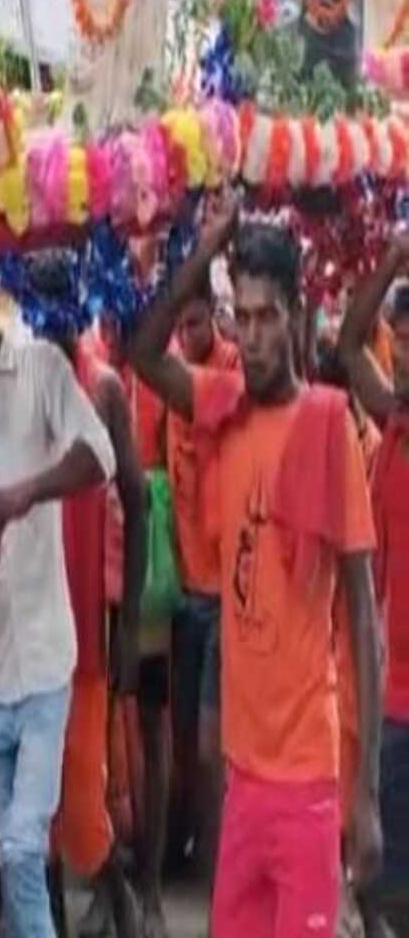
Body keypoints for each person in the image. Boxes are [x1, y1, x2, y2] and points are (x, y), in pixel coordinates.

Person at [128, 198, 383, 937]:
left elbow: (362, 616)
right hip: (244, 781)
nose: (258, 336)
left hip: (308, 781)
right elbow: (144, 352)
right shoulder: (224, 406)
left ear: (296, 315)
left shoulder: (328, 424)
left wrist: (362, 797)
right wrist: (202, 255)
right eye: (245, 316)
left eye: (270, 316)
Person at [0, 258, 117, 938]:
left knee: (19, 848)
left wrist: (23, 495)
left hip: (44, 659)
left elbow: (99, 457)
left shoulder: (41, 368)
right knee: (17, 859)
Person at [18, 257, 146, 938]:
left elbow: (138, 500)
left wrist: (125, 631)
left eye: (55, 293)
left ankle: (124, 911)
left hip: (85, 642)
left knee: (84, 815)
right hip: (28, 635)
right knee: (33, 817)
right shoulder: (19, 386)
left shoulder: (101, 389)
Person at [338, 229, 409, 936]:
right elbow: (348, 343)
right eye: (406, 342)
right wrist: (390, 257)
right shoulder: (391, 418)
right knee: (378, 881)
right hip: (389, 696)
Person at [94, 315, 172, 938]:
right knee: (102, 751)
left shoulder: (157, 362)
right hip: (99, 582)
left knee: (151, 724)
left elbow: (151, 494)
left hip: (147, 579)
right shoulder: (89, 367)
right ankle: (110, 883)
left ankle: (149, 886)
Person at [165, 269, 239, 901]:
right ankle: (199, 853)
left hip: (225, 595)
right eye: (179, 324)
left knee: (217, 747)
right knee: (186, 737)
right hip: (183, 589)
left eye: (196, 323)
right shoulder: (168, 379)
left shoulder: (232, 374)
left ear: (214, 316)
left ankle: (222, 875)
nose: (187, 335)